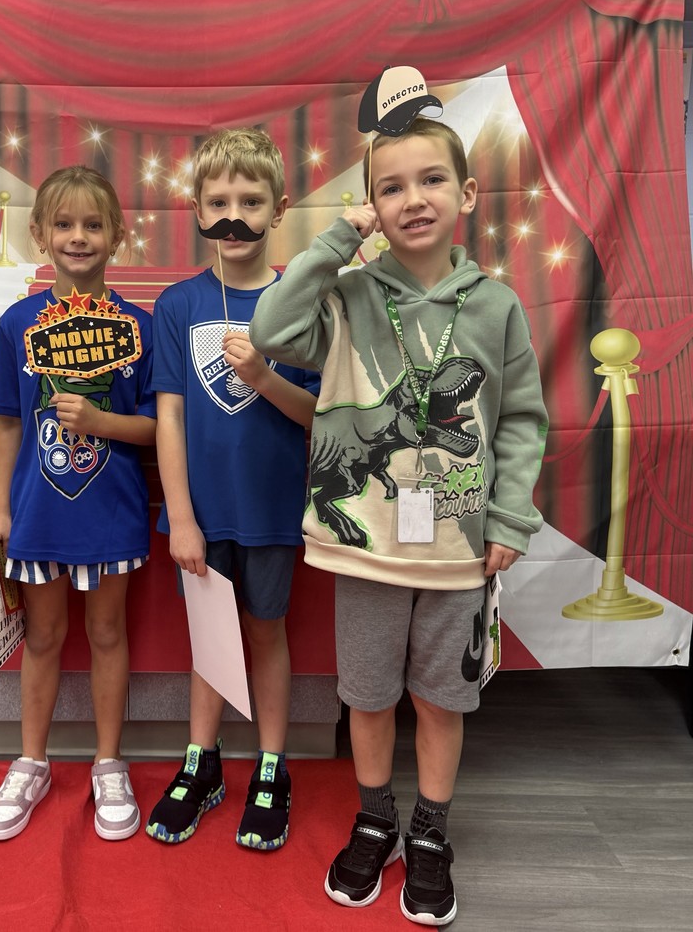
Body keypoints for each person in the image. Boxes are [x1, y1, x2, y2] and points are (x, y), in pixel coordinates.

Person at [250, 117, 547, 924]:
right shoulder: (347, 294)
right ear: (371, 204)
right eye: (390, 186)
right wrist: (331, 248)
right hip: (371, 552)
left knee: (441, 703)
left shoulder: (497, 307)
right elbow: (271, 332)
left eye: (431, 180)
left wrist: (510, 520)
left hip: (457, 549)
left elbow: (520, 417)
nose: (413, 198)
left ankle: (430, 833)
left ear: (467, 193)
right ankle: (376, 816)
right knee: (370, 698)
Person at [146, 128, 319, 852]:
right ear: (196, 208)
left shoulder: (300, 303)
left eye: (251, 201)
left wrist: (261, 376)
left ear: (278, 208)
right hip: (203, 513)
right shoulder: (178, 305)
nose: (234, 215)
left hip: (275, 509)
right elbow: (170, 416)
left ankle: (272, 765)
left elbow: (319, 415)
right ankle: (202, 760)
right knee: (209, 639)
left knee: (265, 632)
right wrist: (180, 517)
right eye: (219, 200)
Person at [0, 165, 156, 843]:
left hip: (112, 512)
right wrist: (1, 509)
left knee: (108, 633)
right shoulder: (18, 322)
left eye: (92, 224)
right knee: (44, 637)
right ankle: (32, 760)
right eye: (64, 223)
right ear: (39, 235)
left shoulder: (138, 326)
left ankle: (109, 761)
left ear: (116, 235)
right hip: (37, 514)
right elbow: (7, 422)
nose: (77, 237)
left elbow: (159, 429)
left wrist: (102, 421)